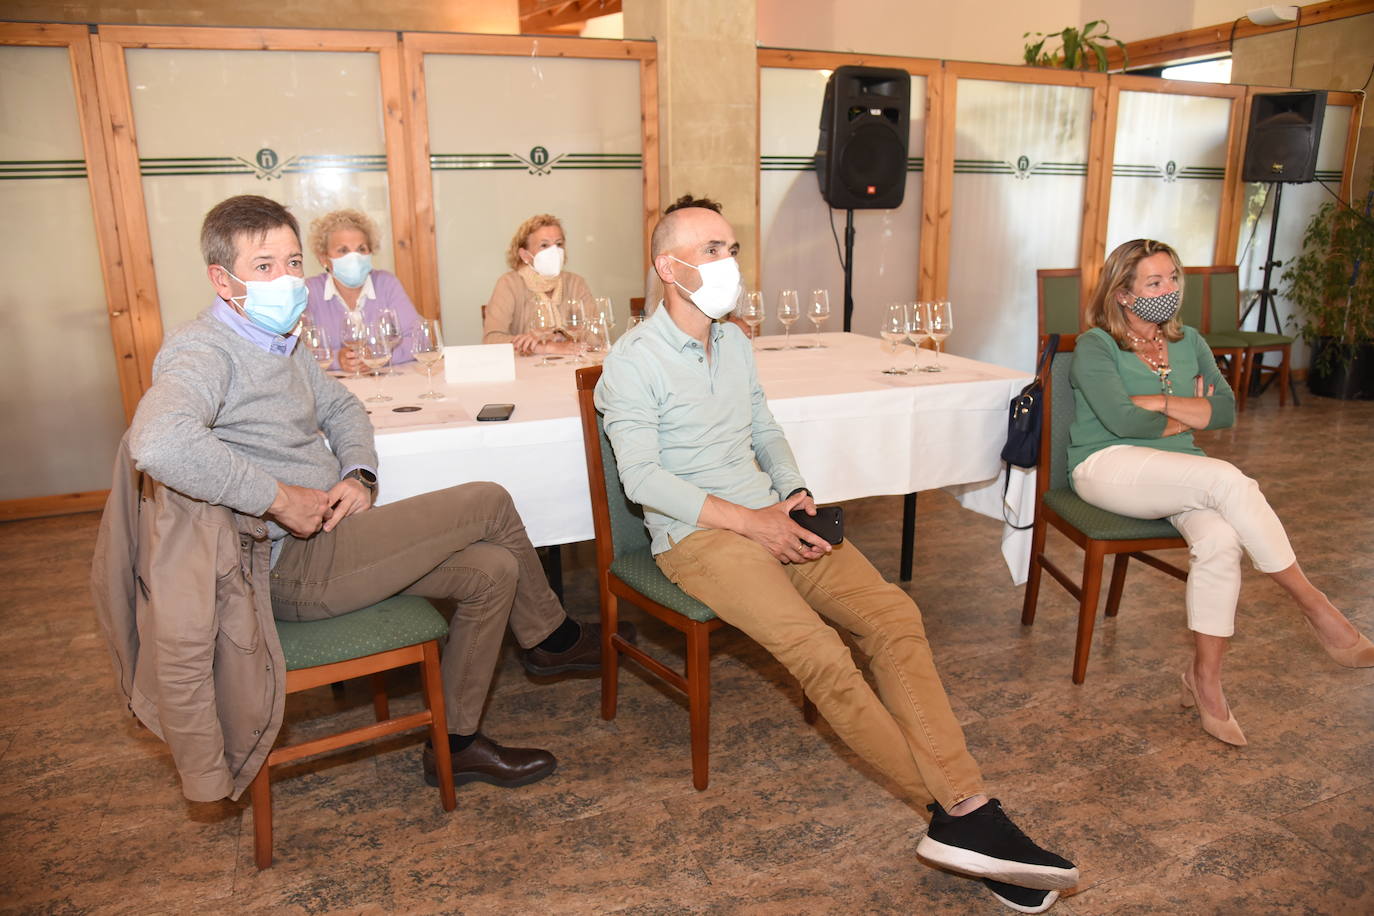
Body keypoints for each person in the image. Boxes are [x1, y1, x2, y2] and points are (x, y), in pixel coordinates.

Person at [595, 201, 1078, 913]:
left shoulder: (732, 343)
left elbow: (763, 424)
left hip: (771, 513)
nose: (727, 261)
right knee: (821, 653)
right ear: (670, 268)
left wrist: (790, 491)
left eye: (730, 246)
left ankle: (965, 814)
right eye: (710, 249)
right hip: (696, 537)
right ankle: (958, 815)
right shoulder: (632, 363)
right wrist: (754, 525)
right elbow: (643, 480)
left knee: (893, 615)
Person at [129, 195, 631, 791]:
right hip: (285, 563)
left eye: (292, 263)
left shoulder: (279, 340)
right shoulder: (204, 349)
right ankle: (553, 638)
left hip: (334, 536)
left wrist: (360, 472)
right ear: (223, 279)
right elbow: (157, 441)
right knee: (488, 499)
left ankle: (458, 742)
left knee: (494, 569)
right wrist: (277, 498)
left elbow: (342, 405)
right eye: (264, 266)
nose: (286, 278)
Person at [1068, 238, 1374, 746]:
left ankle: (1204, 680)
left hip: (1180, 468)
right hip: (1105, 465)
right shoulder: (1096, 344)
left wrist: (1153, 403)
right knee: (1228, 478)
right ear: (1122, 293)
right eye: (1154, 282)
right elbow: (1120, 420)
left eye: (1172, 279)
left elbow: (1228, 411)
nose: (1169, 290)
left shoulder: (1190, 341)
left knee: (1220, 542)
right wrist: (1184, 406)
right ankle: (1315, 606)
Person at [304, 208, 422, 374]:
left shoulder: (386, 283)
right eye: (343, 250)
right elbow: (296, 352)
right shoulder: (310, 291)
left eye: (361, 249)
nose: (354, 257)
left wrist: (380, 355)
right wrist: (338, 359)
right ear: (324, 258)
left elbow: (419, 339)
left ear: (370, 252)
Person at [483, 213, 594, 356]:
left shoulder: (576, 283)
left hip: (572, 367)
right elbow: (491, 340)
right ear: (524, 255)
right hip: (527, 371)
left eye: (559, 244)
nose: (554, 251)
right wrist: (544, 347)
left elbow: (597, 335)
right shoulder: (509, 283)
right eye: (544, 245)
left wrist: (557, 336)